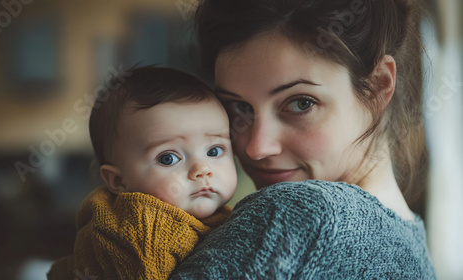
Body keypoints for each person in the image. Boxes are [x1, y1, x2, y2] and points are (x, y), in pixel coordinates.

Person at [170, 0, 436, 278]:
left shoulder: (297, 213)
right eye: (241, 108)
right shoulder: (416, 251)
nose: (257, 147)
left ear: (378, 86)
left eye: (300, 103)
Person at [47, 66, 237, 279]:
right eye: (168, 158)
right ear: (118, 180)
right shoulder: (144, 233)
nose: (202, 170)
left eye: (214, 151)